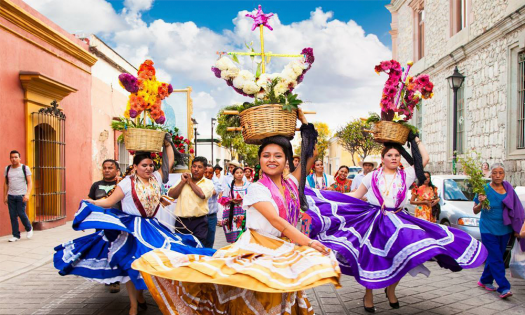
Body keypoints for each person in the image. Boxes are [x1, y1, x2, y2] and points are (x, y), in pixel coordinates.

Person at [132, 109, 341, 314]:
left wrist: (304, 124)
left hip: (283, 249)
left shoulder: (292, 185)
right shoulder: (257, 188)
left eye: (278, 155)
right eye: (266, 155)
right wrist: (309, 242)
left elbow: (310, 155)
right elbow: (278, 222)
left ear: (287, 160)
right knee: (261, 299)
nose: (271, 159)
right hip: (258, 249)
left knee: (282, 296)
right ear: (259, 160)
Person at [303, 141, 488, 313]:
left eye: (397, 155)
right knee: (371, 258)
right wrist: (325, 196)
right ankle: (369, 294)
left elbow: (424, 159)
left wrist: (415, 139)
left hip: (399, 219)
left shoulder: (406, 174)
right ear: (382, 158)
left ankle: (391, 290)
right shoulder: (372, 177)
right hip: (374, 219)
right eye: (390, 155)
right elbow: (356, 195)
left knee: (404, 255)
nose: (394, 158)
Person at [54, 141, 215, 315]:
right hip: (131, 228)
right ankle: (133, 305)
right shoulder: (126, 183)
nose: (148, 168)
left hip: (152, 227)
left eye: (151, 165)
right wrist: (92, 202)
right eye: (144, 165)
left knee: (151, 262)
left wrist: (167, 144)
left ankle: (140, 295)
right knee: (132, 264)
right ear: (136, 167)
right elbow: (109, 201)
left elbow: (169, 161)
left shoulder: (156, 178)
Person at [474, 163, 525, 299]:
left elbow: (516, 207)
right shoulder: (484, 189)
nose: (497, 176)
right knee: (496, 258)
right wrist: (480, 202)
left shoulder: (508, 188)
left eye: (500, 173)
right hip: (488, 228)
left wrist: (518, 226)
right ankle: (504, 287)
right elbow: (475, 210)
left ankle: (484, 280)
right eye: (495, 173)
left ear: (504, 174)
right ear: (490, 174)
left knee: (496, 256)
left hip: (505, 229)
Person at [88, 159, 122, 293]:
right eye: (105, 168)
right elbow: (91, 202)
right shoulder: (96, 185)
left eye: (110, 168)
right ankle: (108, 276)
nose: (107, 170)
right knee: (104, 251)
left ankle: (115, 280)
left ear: (117, 171)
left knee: (116, 250)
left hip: (117, 224)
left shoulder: (121, 184)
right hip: (101, 224)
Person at [168, 156, 215, 246]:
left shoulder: (208, 183)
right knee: (181, 249)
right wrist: (182, 182)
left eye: (199, 167)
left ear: (205, 169)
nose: (196, 169)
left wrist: (190, 182)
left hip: (199, 222)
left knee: (197, 248)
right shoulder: (182, 181)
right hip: (181, 222)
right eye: (194, 166)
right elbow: (171, 195)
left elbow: (202, 194)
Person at [4, 150, 33, 242]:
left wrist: (27, 194)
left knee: (21, 213)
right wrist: (5, 196)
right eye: (12, 157)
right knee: (12, 216)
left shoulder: (25, 168)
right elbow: (5, 183)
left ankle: (29, 228)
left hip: (21, 195)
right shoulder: (7, 168)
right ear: (10, 159)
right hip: (11, 196)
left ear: (19, 158)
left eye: (16, 157)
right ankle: (16, 235)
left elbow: (29, 182)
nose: (14, 159)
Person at [218, 166, 250, 243]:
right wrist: (231, 200)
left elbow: (252, 198)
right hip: (232, 214)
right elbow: (223, 199)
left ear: (243, 174)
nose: (239, 174)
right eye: (237, 173)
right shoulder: (229, 186)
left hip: (244, 213)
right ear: (234, 175)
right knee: (234, 239)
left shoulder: (248, 185)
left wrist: (244, 200)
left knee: (244, 237)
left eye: (241, 173)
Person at [203, 164, 222, 248]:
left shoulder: (215, 181)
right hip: (199, 216)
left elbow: (215, 191)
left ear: (213, 174)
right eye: (205, 172)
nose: (207, 175)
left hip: (211, 216)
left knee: (210, 240)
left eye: (210, 173)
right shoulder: (197, 181)